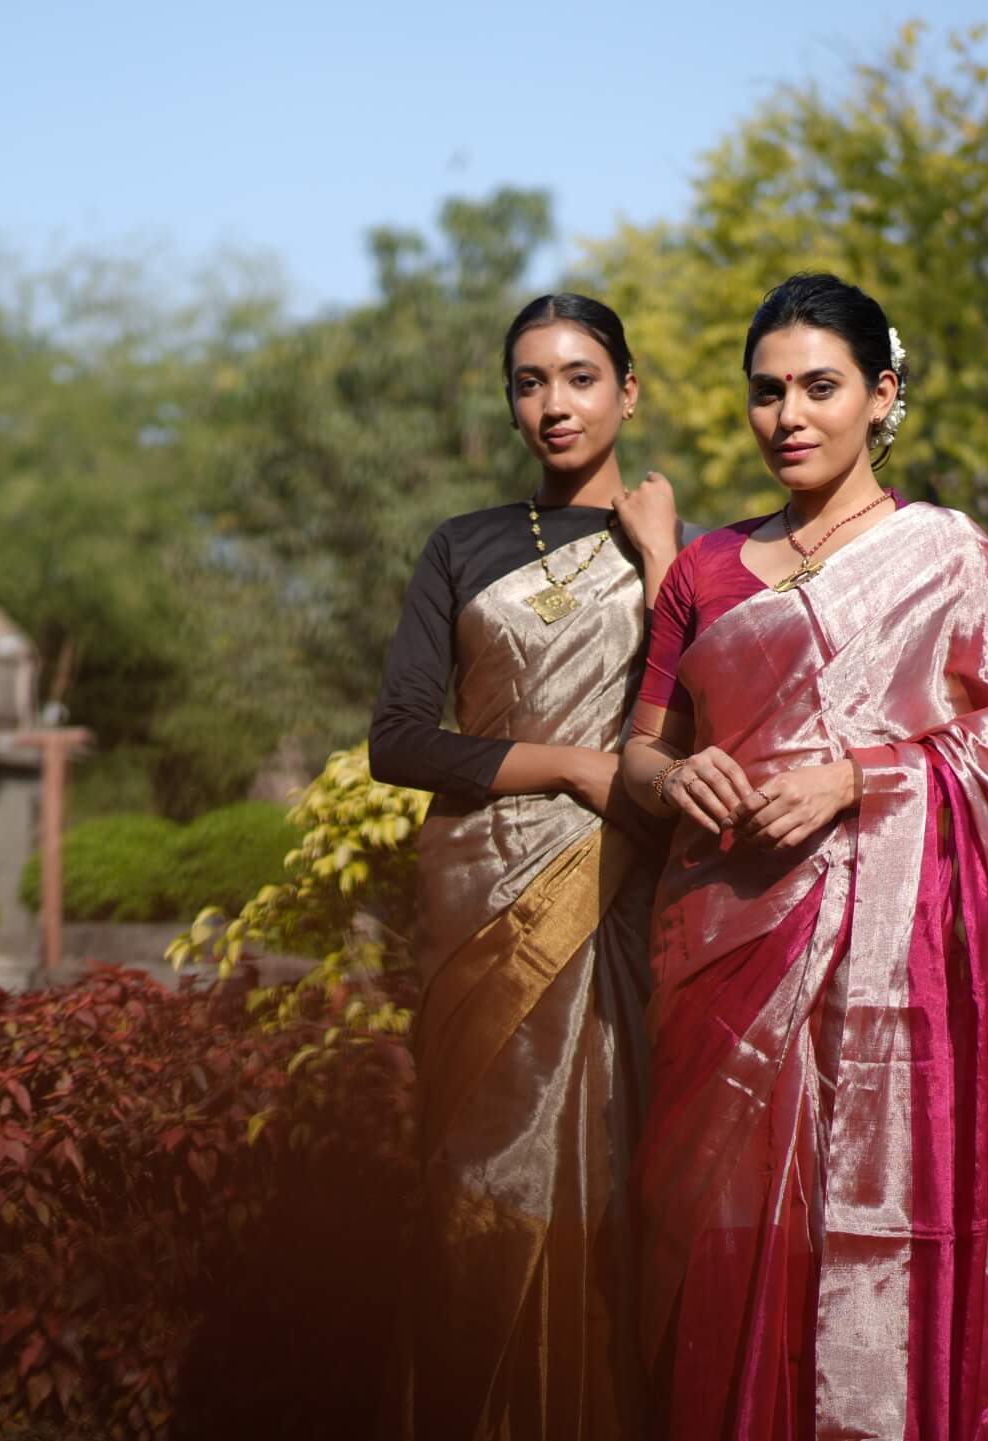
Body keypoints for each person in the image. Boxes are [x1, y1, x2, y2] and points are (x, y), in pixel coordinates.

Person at [620, 272, 988, 1439]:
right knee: (725, 1268)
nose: (788, 415)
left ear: (882, 396)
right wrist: (679, 777)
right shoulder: (705, 571)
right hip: (723, 970)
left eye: (819, 387)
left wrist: (863, 778)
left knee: (878, 1260)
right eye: (766, 391)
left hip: (894, 995)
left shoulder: (949, 561)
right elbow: (639, 756)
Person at [370, 292, 686, 1441]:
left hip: (625, 904)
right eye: (530, 381)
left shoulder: (685, 558)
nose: (554, 402)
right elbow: (398, 740)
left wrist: (661, 561)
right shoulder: (463, 544)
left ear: (629, 390)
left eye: (580, 376)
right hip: (483, 899)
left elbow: (702, 721)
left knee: (620, 1194)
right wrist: (573, 767)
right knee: (479, 1193)